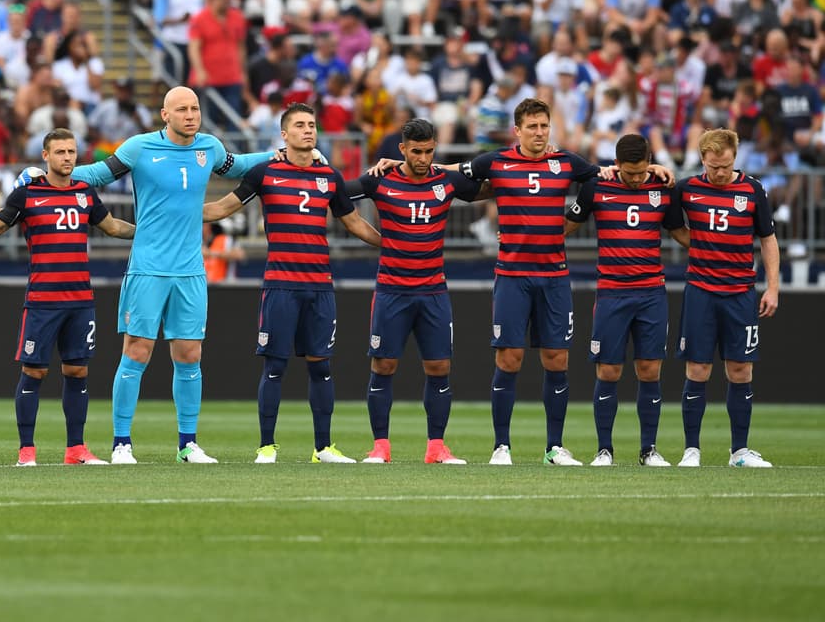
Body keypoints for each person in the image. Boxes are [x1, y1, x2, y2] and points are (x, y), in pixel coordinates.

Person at [17, 86, 280, 464]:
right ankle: (121, 443)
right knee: (137, 352)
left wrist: (280, 155)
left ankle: (187, 444)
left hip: (190, 269)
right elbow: (96, 174)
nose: (191, 115)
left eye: (195, 108)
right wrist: (44, 175)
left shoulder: (210, 148)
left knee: (190, 354)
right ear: (164, 115)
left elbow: (241, 166)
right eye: (182, 109)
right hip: (148, 268)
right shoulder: (139, 148)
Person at [456, 99, 669, 465]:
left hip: (554, 277)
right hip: (512, 276)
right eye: (533, 126)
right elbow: (453, 176)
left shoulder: (569, 163)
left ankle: (554, 447)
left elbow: (612, 173)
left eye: (544, 125)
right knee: (509, 358)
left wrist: (654, 168)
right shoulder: (495, 162)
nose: (539, 132)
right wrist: (408, 166)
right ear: (517, 130)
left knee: (557, 360)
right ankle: (501, 447)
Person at [203, 103, 380, 463]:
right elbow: (222, 208)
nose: (308, 130)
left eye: (312, 125)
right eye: (299, 125)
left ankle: (323, 448)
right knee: (275, 366)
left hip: (319, 286)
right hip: (281, 285)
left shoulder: (329, 177)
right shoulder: (264, 172)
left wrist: (396, 242)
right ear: (284, 134)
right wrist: (174, 209)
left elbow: (355, 223)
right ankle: (266, 447)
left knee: (321, 365)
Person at [0, 129, 136, 467]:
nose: (67, 158)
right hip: (43, 300)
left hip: (80, 300)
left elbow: (114, 228)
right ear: (45, 156)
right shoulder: (26, 195)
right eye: (60, 152)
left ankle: (76, 449)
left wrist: (151, 231)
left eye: (72, 152)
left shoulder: (84, 193)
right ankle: (26, 452)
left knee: (77, 371)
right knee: (34, 372)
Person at [346, 118, 485, 465]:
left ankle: (436, 447)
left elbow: (491, 184)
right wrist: (375, 239)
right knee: (384, 365)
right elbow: (336, 196)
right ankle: (380, 446)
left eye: (429, 151)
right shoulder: (380, 180)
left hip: (433, 291)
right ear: (402, 149)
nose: (423, 158)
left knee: (439, 367)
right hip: (392, 290)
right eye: (416, 151)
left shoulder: (446, 181)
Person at [663, 128, 779, 468]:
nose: (720, 173)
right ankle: (691, 450)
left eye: (726, 167)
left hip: (741, 292)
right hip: (701, 290)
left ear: (734, 159)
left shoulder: (753, 189)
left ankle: (739, 451)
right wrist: (698, 245)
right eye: (714, 167)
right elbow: (673, 225)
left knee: (740, 369)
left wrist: (772, 287)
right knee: (697, 368)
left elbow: (768, 240)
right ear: (703, 160)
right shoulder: (687, 189)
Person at [563, 134, 680, 467]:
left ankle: (649, 450)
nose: (634, 178)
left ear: (649, 162)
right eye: (628, 173)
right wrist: (522, 237)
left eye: (640, 172)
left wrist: (720, 245)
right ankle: (604, 450)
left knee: (649, 370)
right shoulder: (597, 187)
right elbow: (565, 227)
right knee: (609, 371)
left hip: (651, 293)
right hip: (612, 293)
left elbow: (680, 233)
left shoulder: (662, 187)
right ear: (616, 164)